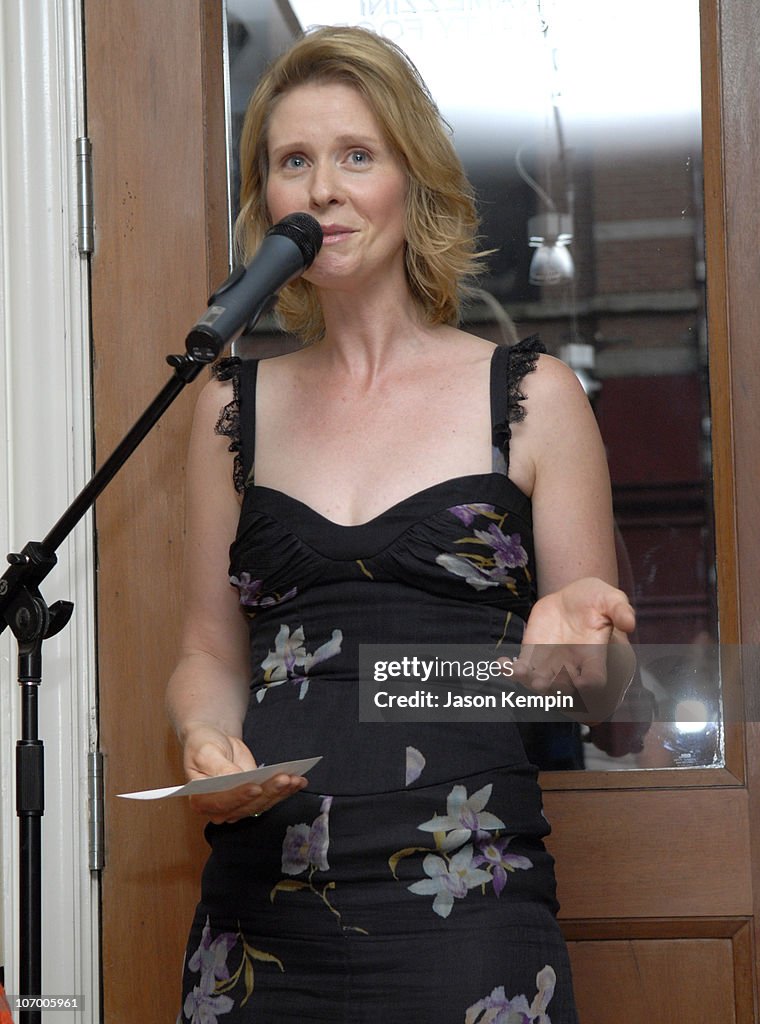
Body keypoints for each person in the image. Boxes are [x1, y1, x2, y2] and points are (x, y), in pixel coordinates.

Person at [167, 25, 635, 1023]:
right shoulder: (225, 407)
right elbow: (209, 648)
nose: (323, 189)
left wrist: (581, 646)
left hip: (469, 915)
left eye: (356, 155)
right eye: (294, 161)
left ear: (412, 182)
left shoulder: (534, 396)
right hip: (256, 928)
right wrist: (205, 735)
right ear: (269, 199)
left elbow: (598, 692)